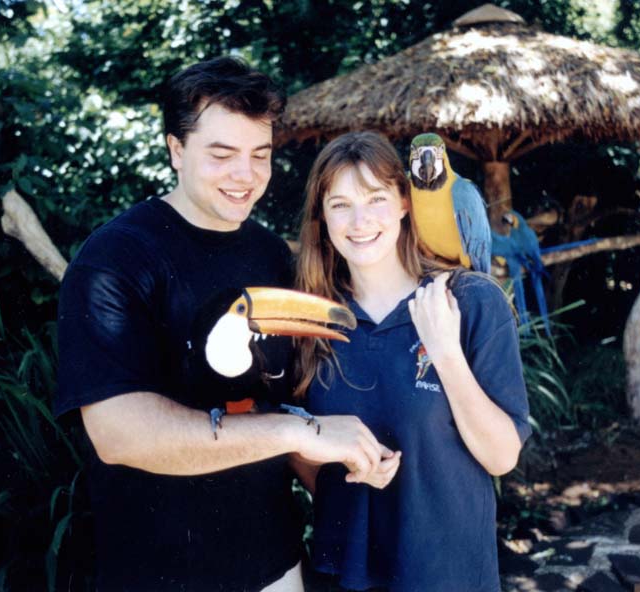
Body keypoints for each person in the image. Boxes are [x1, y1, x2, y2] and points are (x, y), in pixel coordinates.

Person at [55, 58, 390, 592]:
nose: (246, 175)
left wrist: (354, 474)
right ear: (176, 149)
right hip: (161, 577)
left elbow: (282, 401)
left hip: (277, 565)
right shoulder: (115, 259)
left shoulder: (270, 254)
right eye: (222, 154)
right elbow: (119, 435)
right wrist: (297, 431)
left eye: (260, 154)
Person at [293, 131, 532, 592]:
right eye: (340, 204)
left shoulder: (470, 300)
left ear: (405, 202)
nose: (359, 221)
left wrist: (445, 353)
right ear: (322, 217)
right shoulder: (308, 317)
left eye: (376, 199)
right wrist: (344, 462)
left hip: (447, 576)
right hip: (343, 577)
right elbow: (296, 448)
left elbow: (502, 456)